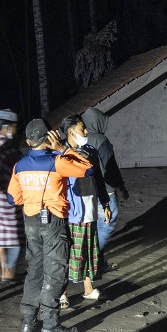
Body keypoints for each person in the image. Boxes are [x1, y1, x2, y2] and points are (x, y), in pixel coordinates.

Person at [7, 119, 93, 332]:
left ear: (28, 141)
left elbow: (12, 198)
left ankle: (27, 323)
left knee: (34, 270)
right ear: (49, 138)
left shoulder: (20, 166)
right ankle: (50, 325)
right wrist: (62, 148)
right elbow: (88, 169)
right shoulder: (57, 161)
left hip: (31, 221)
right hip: (53, 221)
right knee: (55, 271)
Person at [60, 114, 112, 303]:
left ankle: (88, 289)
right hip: (70, 213)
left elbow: (98, 180)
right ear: (71, 131)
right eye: (82, 128)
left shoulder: (90, 151)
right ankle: (62, 293)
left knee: (89, 251)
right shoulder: (60, 154)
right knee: (69, 254)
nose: (86, 131)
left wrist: (105, 204)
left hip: (89, 209)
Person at [80, 106, 130, 271]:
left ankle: (98, 262)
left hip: (82, 190)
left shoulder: (76, 138)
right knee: (108, 222)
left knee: (92, 225)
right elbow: (111, 167)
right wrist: (120, 186)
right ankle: (90, 258)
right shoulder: (100, 140)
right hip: (103, 189)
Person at [0, 109, 24, 281]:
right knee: (15, 238)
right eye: (15, 127)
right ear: (7, 127)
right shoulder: (7, 148)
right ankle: (8, 271)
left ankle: (4, 269)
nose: (16, 130)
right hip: (6, 199)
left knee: (0, 236)